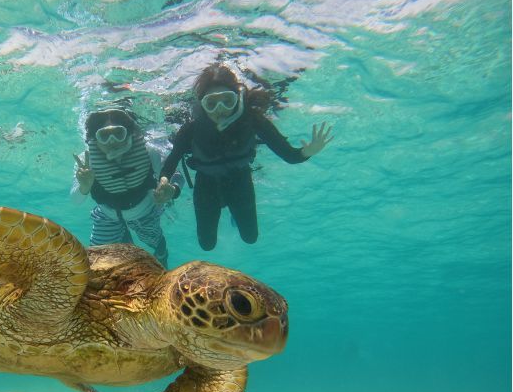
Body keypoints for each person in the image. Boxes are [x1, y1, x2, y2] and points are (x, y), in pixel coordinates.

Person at [159, 63, 333, 250]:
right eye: (211, 103)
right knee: (207, 245)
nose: (220, 109)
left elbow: (290, 156)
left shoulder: (252, 120)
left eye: (227, 100)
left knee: (250, 238)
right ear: (202, 104)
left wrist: (309, 151)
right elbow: (172, 160)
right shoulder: (190, 130)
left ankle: (235, 215)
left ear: (238, 99)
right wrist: (164, 182)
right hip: (206, 186)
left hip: (240, 181)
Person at [71, 108, 183, 267]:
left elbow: (176, 175)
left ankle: (161, 252)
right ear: (95, 139)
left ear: (129, 133)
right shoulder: (86, 162)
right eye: (104, 135)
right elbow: (75, 200)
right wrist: (84, 186)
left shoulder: (150, 153)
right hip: (107, 216)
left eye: (118, 133)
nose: (112, 141)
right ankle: (123, 239)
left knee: (154, 240)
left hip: (145, 213)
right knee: (95, 260)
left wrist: (172, 189)